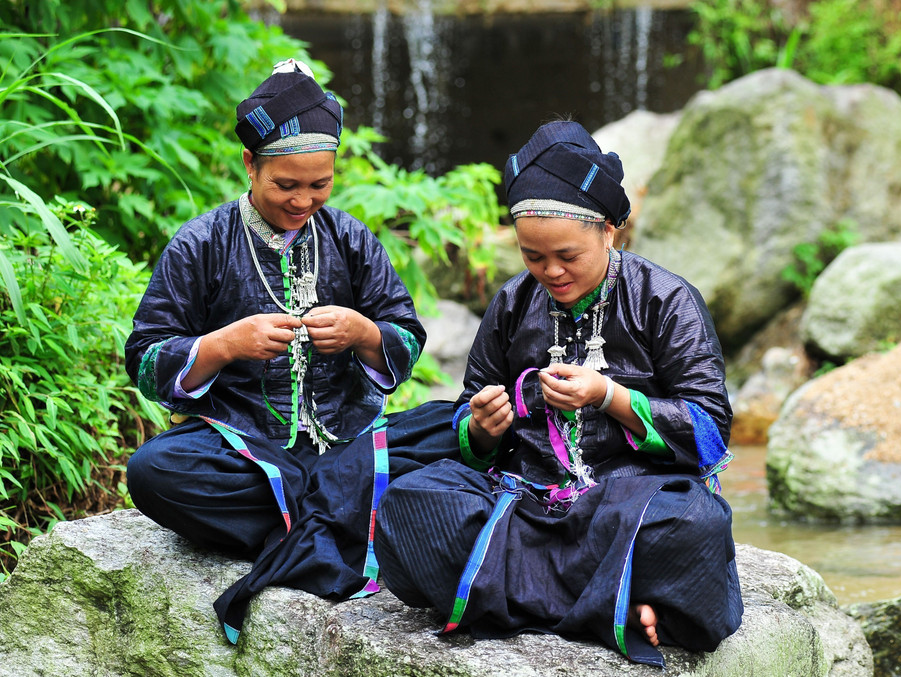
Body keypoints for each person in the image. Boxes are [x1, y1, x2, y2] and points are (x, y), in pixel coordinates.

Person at [372, 120, 744, 666]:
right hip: (526, 502)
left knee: (696, 526)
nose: (550, 271)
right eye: (532, 257)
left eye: (567, 256)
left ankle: (509, 593)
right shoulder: (512, 304)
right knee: (412, 502)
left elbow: (710, 432)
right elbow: (471, 420)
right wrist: (480, 427)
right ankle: (613, 600)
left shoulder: (666, 300)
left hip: (628, 504)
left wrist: (610, 397)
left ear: (609, 232)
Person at [124, 59, 457, 642]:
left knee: (457, 427)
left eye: (319, 185)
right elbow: (148, 360)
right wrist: (224, 344)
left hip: (346, 442)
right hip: (244, 448)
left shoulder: (351, 239)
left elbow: (405, 336)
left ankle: (308, 521)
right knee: (154, 472)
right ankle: (343, 518)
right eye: (286, 185)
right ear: (250, 165)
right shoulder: (202, 243)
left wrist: (364, 334)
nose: (304, 201)